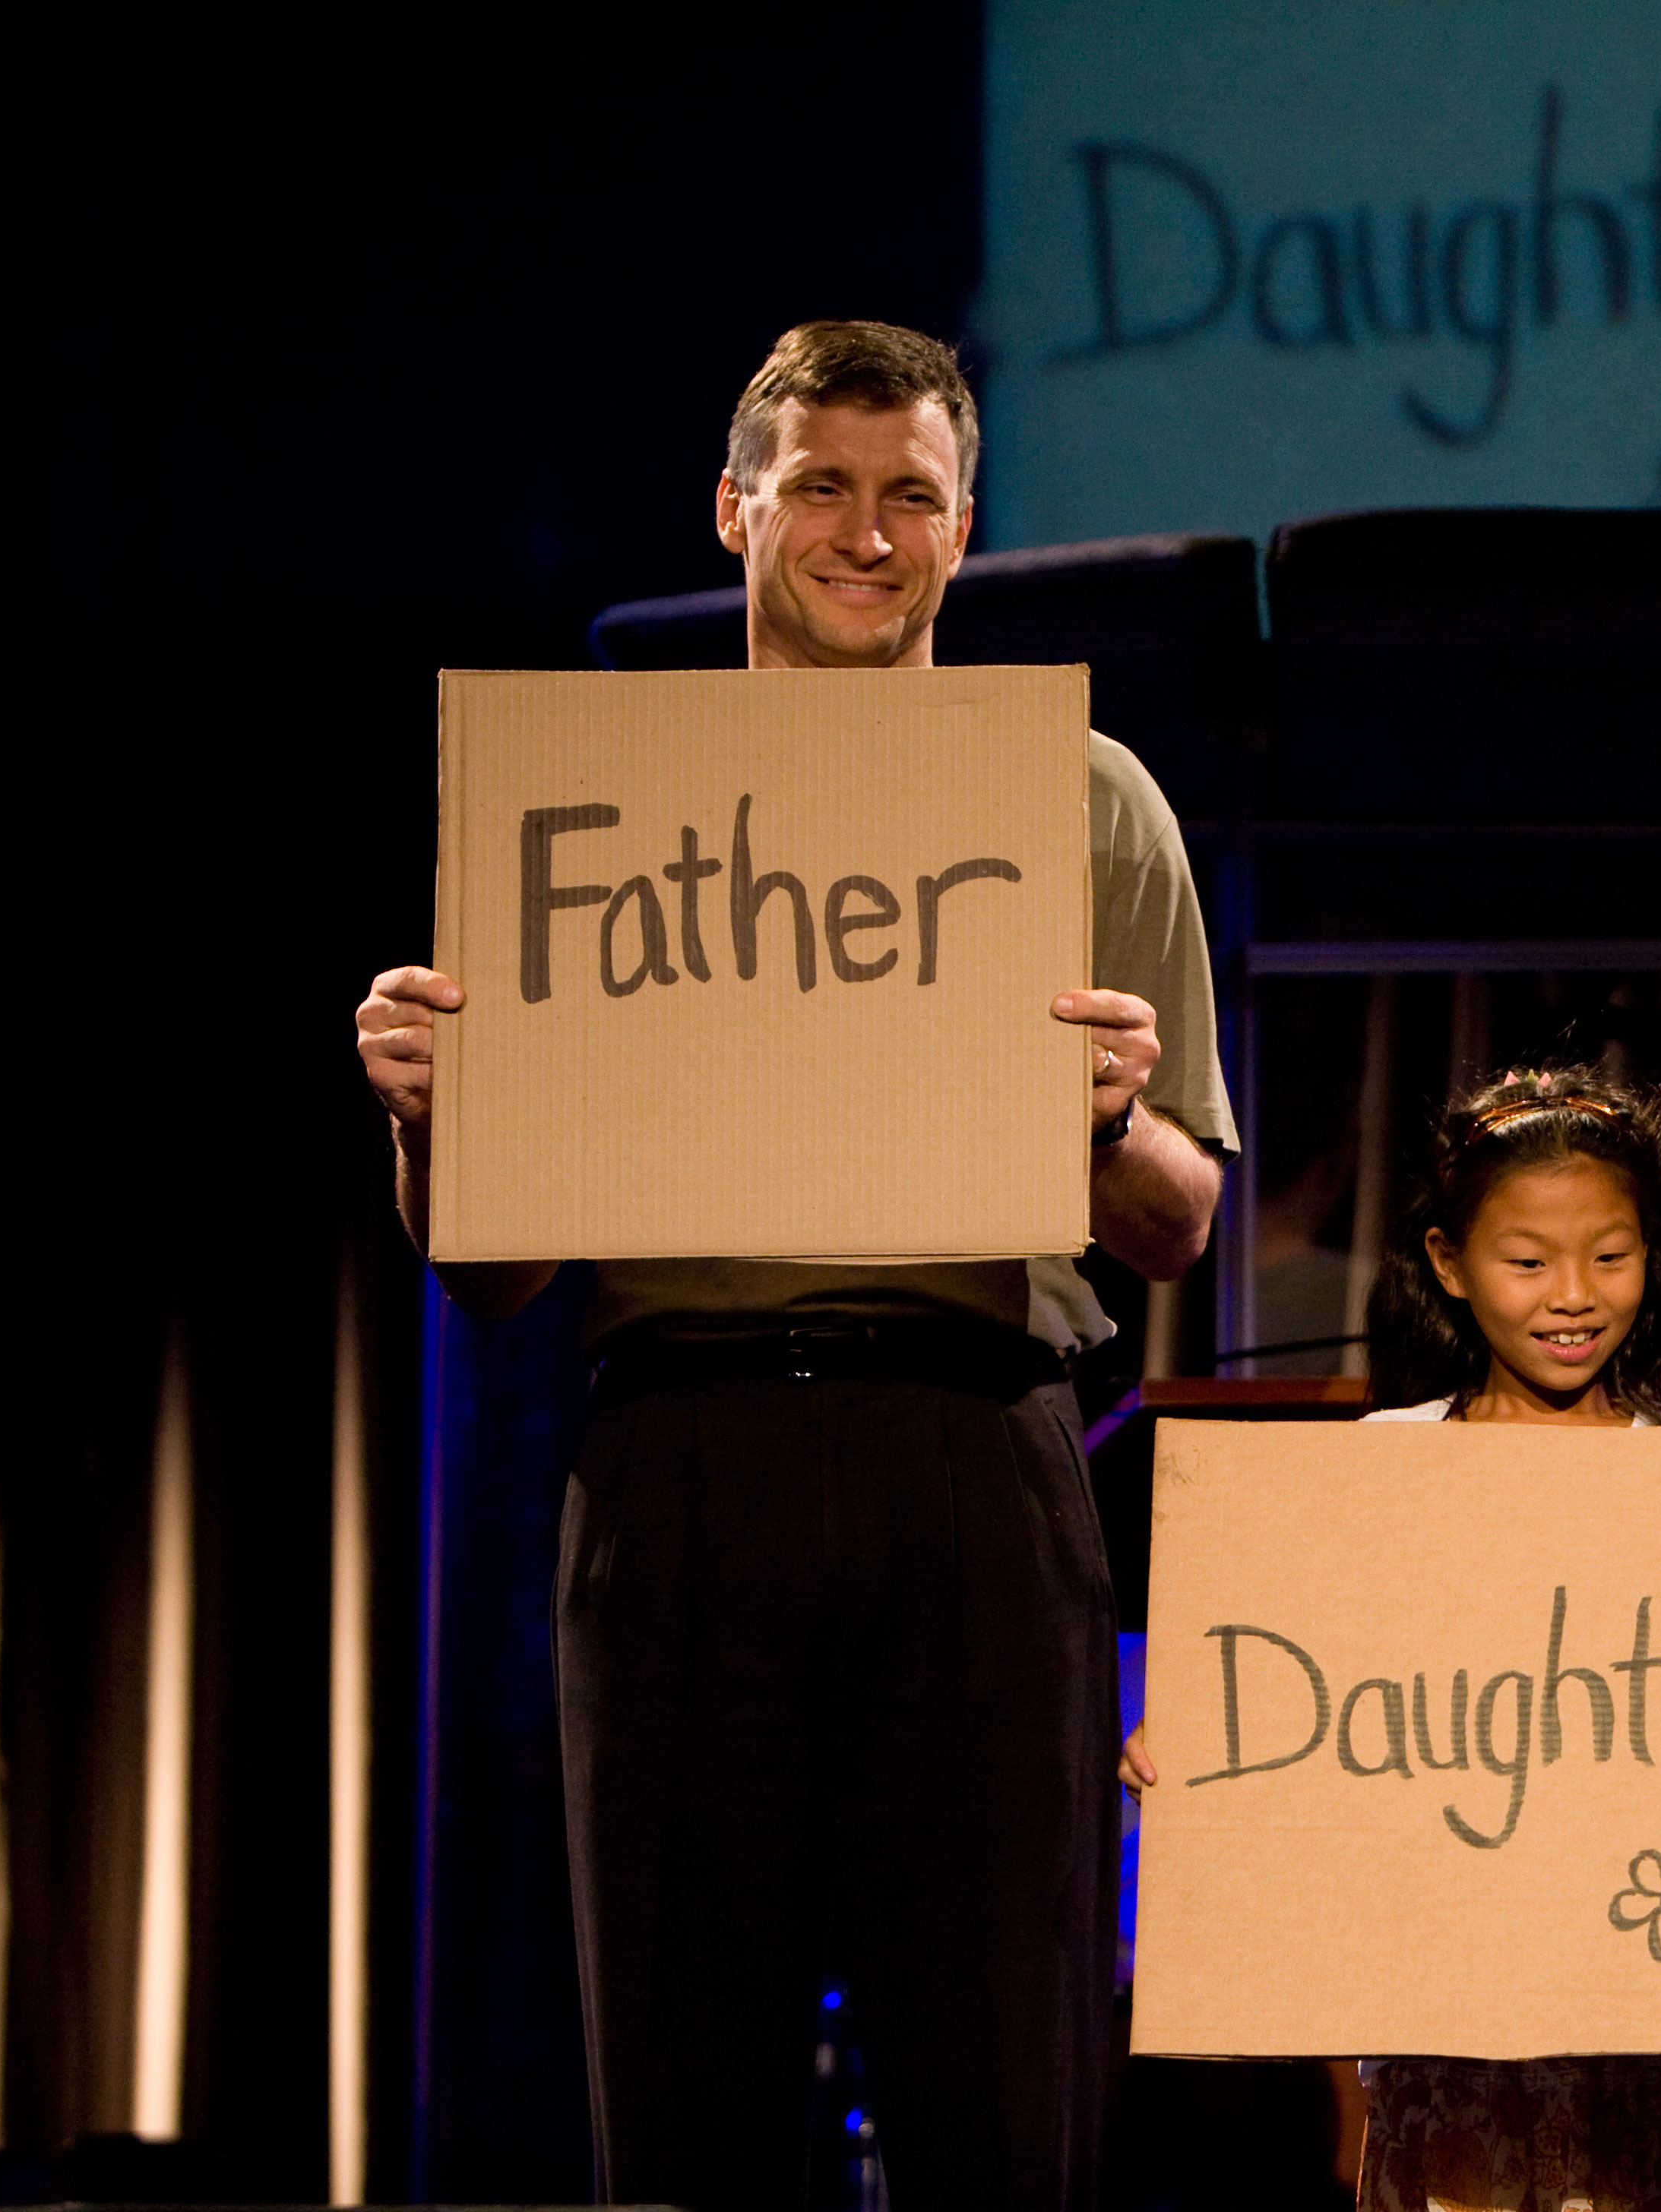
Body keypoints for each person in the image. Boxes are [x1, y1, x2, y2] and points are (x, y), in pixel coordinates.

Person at [353, 321, 1234, 2211]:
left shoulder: (1083, 800)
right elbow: (491, 1280)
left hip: (980, 1457)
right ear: (735, 508)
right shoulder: (590, 807)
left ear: (965, 526)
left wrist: (1103, 1116)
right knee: (683, 2094)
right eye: (820, 486)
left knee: (1000, 2081)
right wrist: (432, 1117)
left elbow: (1179, 1220)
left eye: (909, 493)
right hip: (679, 1466)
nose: (865, 531)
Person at [1121, 1067, 1661, 2212]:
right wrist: (1190, 1754)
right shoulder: (1379, 1472)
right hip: (1446, 2053)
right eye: (1528, 1261)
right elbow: (1291, 1708)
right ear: (1449, 1264)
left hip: (1648, 2044)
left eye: (1611, 1255)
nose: (1572, 1295)